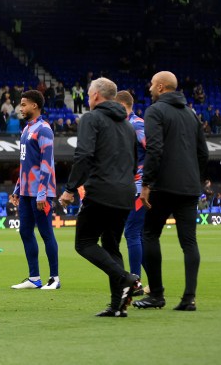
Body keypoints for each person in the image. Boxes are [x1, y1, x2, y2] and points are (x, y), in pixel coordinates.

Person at [59, 78, 139, 317]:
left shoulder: (91, 118)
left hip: (102, 190)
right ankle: (117, 306)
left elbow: (83, 155)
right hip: (126, 192)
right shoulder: (128, 126)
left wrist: (70, 188)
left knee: (84, 242)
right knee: (112, 245)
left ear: (95, 96)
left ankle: (126, 278)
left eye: (88, 93)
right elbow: (134, 162)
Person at [133, 71, 208, 312]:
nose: (150, 88)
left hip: (163, 186)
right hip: (189, 187)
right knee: (189, 241)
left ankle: (156, 295)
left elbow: (154, 149)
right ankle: (189, 299)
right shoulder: (191, 113)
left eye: (153, 84)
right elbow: (203, 153)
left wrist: (146, 184)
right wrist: (193, 176)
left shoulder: (155, 111)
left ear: (162, 87)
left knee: (150, 234)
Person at [8, 90, 60, 290]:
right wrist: (17, 189)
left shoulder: (44, 129)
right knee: (25, 231)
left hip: (40, 193)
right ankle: (34, 278)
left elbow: (47, 164)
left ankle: (54, 278)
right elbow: (25, 164)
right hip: (26, 192)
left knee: (47, 233)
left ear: (35, 106)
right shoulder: (26, 129)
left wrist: (42, 193)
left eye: (23, 104)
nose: (21, 108)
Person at [115, 90, 147, 284]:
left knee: (133, 232)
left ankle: (135, 280)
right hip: (130, 186)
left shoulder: (137, 124)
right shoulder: (125, 125)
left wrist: (147, 182)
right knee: (139, 235)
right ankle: (151, 282)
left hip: (140, 186)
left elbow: (153, 149)